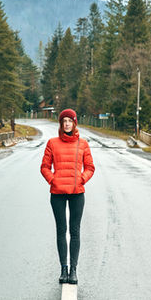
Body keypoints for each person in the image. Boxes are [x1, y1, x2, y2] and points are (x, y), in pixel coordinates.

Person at [40, 109, 95, 285]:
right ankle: (63, 268)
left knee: (75, 231)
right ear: (61, 124)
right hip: (57, 193)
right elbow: (44, 167)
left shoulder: (83, 144)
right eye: (64, 121)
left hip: (77, 193)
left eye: (70, 121)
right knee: (61, 231)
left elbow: (90, 167)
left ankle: (73, 270)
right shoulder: (52, 143)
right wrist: (52, 180)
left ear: (74, 123)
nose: (67, 124)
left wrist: (82, 179)